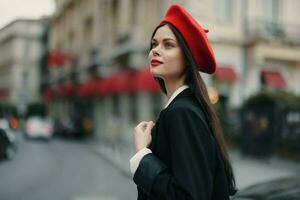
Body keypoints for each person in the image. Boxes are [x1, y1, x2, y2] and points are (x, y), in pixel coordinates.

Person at [130, 3, 237, 200]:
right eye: (154, 44)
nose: (155, 50)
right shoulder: (184, 108)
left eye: (168, 44)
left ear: (188, 58)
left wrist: (142, 156)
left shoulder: (182, 113)